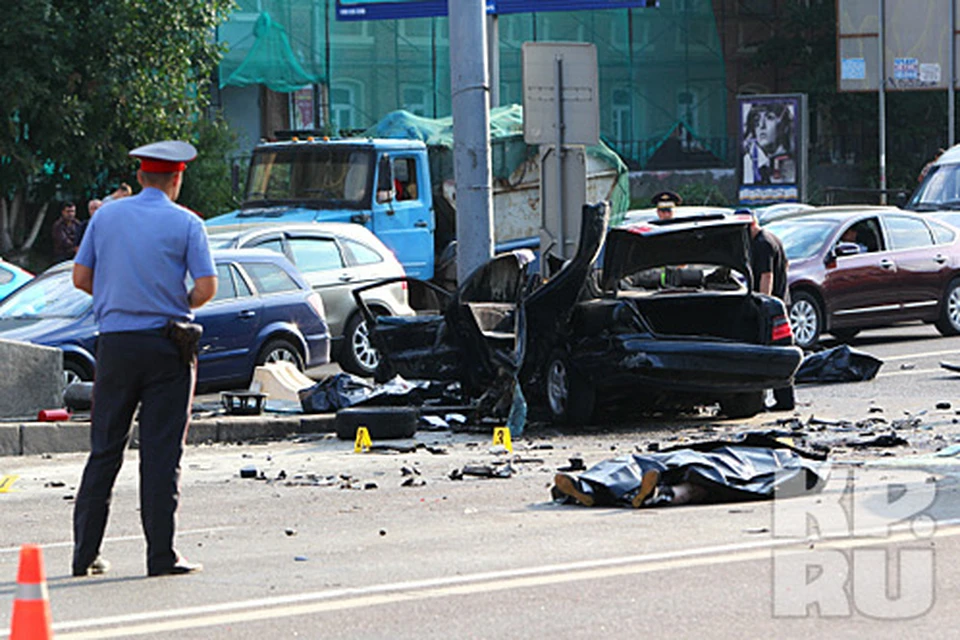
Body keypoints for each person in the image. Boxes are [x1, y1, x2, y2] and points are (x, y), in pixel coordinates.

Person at [71, 140, 217, 578]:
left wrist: (120, 299)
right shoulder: (187, 224)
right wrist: (175, 301)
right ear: (177, 178)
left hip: (115, 346)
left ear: (139, 176)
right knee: (160, 454)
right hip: (167, 346)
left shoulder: (106, 217)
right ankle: (161, 556)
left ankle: (84, 555)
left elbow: (81, 277)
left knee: (104, 451)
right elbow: (206, 287)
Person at [748, 212, 795, 411]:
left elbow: (766, 275)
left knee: (769, 353)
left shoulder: (761, 244)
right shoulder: (771, 237)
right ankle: (785, 400)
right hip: (782, 302)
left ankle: (779, 400)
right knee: (781, 352)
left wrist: (762, 303)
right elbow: (786, 264)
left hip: (772, 307)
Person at [742, 102, 796, 185]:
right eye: (757, 119)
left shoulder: (790, 166)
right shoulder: (754, 162)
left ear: (785, 126)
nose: (761, 125)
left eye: (769, 118)